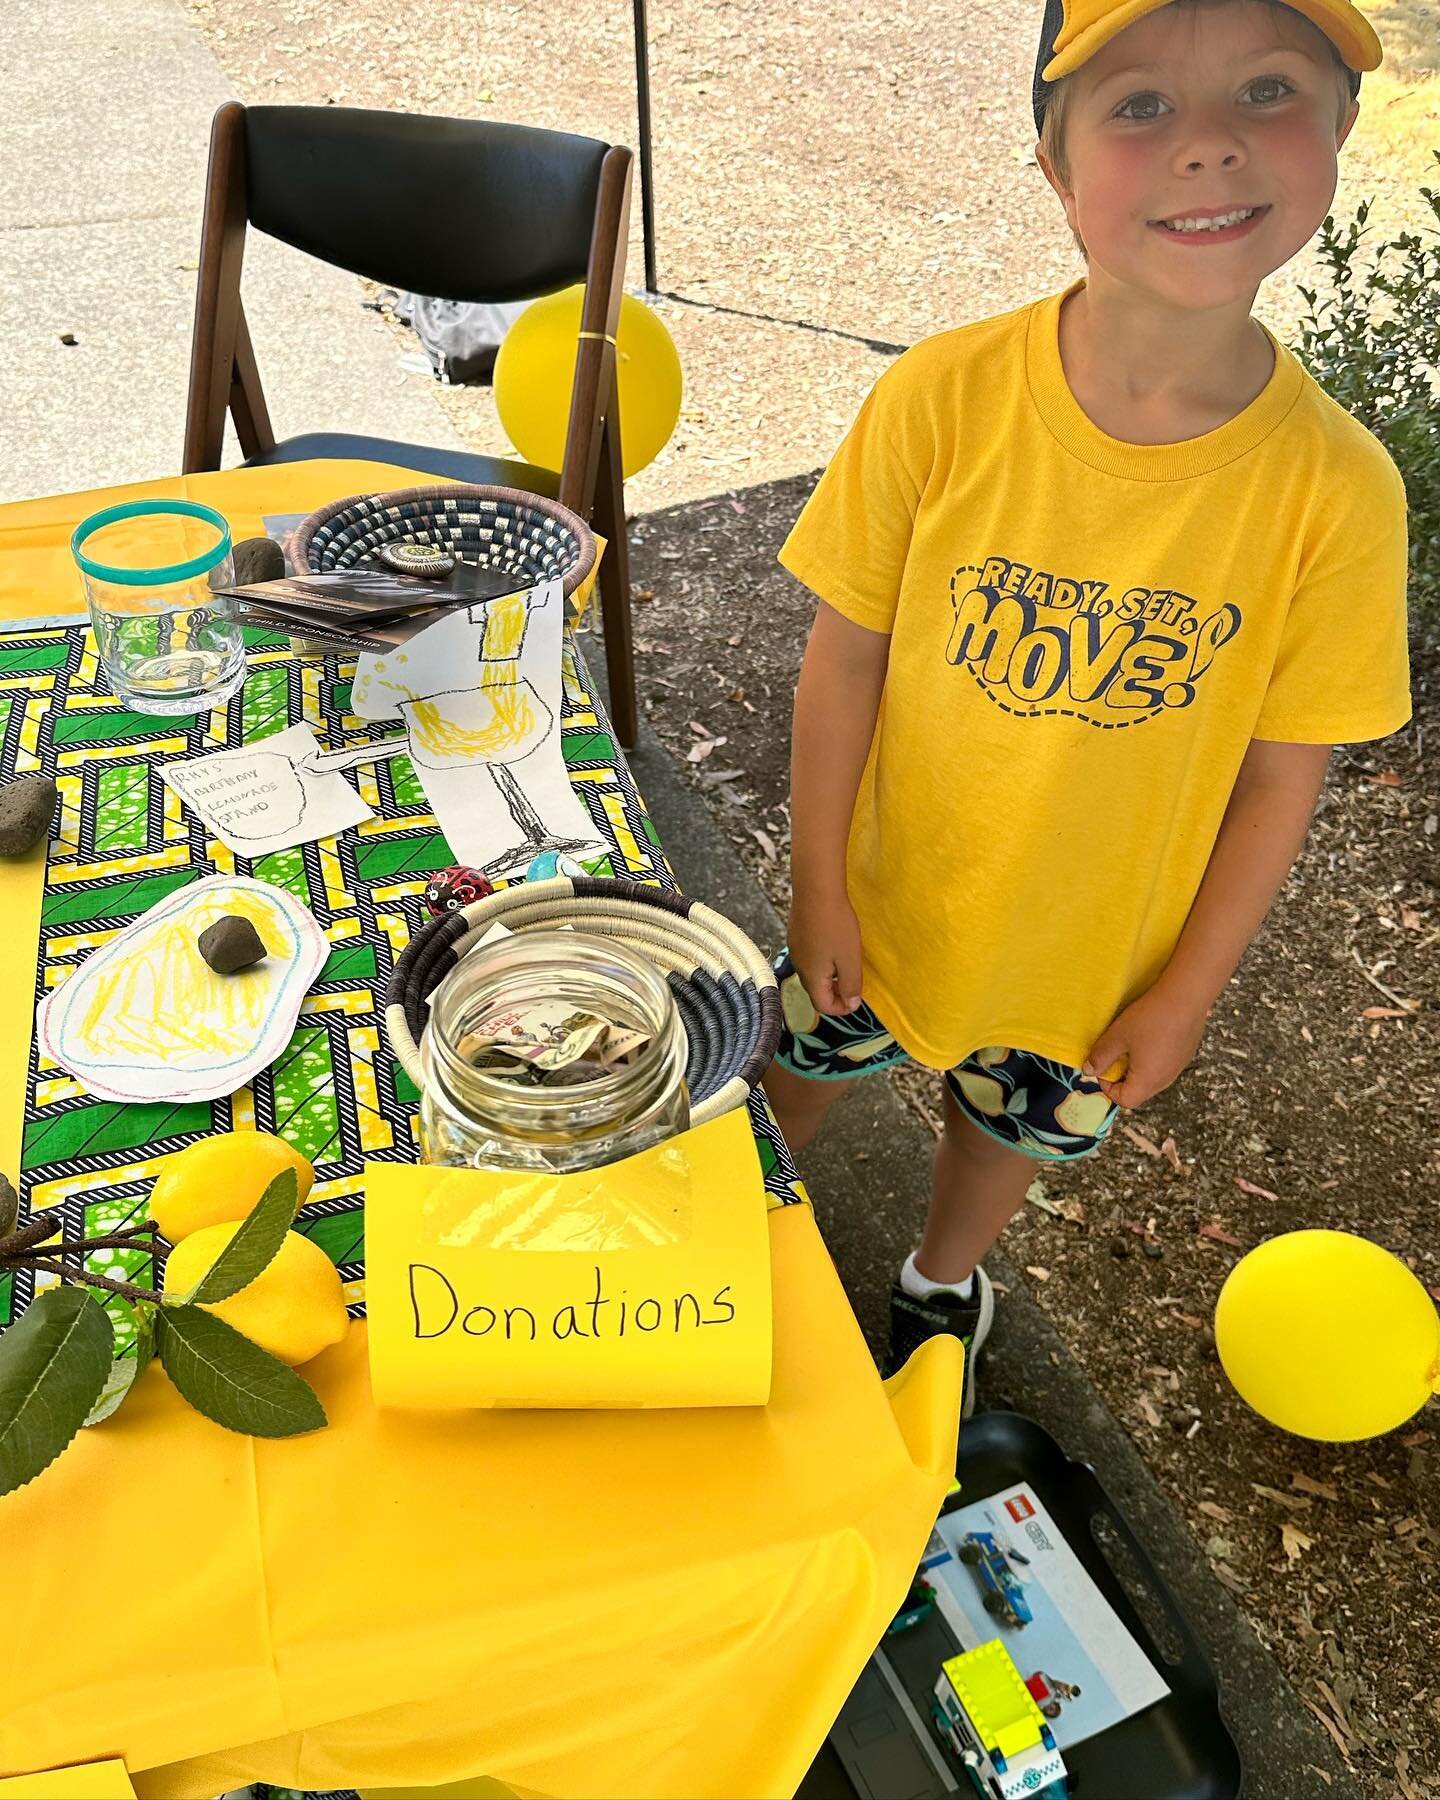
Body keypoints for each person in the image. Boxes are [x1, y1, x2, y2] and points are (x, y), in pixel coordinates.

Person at [765, 0, 1410, 1416]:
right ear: (1052, 162)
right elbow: (846, 657)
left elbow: (1278, 779)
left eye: (1268, 89)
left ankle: (939, 1279)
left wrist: (1187, 992)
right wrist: (818, 884)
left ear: (1345, 130)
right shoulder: (943, 395)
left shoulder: (1337, 493)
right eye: (1138, 108)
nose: (1210, 148)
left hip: (1091, 963)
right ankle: (746, 1234)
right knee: (793, 1084)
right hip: (881, 899)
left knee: (1001, 1136)